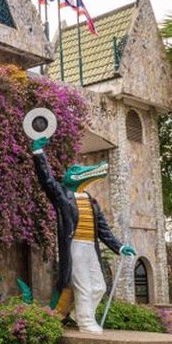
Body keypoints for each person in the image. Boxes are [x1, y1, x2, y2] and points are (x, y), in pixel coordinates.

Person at [32, 136, 136, 333]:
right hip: (75, 246)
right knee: (84, 286)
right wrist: (38, 153)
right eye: (76, 171)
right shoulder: (63, 196)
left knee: (99, 287)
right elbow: (47, 180)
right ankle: (85, 322)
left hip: (90, 248)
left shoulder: (91, 201)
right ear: (68, 177)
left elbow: (104, 231)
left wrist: (120, 247)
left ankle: (76, 313)